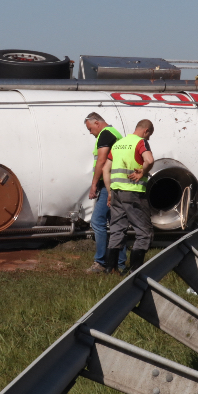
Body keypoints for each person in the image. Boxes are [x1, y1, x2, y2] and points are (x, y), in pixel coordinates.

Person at [103, 119, 155, 274]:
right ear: (146, 131)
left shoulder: (118, 144)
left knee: (117, 229)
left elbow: (106, 169)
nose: (149, 138)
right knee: (144, 231)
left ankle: (110, 269)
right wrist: (143, 171)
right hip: (133, 192)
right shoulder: (140, 142)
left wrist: (110, 192)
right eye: (149, 135)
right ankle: (135, 270)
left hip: (116, 192)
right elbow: (149, 160)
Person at [84, 112, 126, 274]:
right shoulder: (114, 133)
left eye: (90, 128)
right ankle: (120, 263)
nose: (90, 132)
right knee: (115, 224)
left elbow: (101, 161)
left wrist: (94, 184)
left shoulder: (105, 134)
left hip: (108, 185)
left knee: (97, 221)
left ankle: (101, 261)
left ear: (97, 123)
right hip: (115, 184)